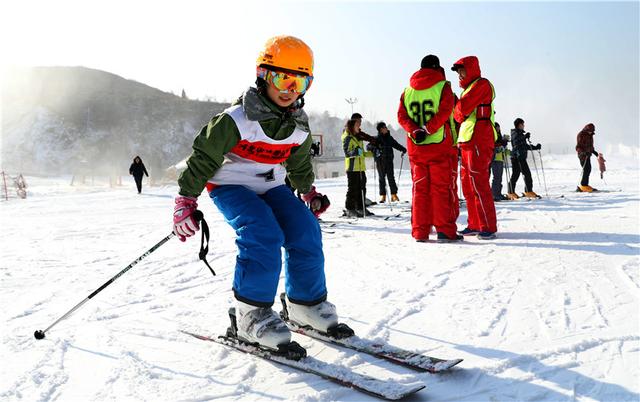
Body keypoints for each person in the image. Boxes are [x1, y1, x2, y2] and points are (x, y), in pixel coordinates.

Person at [172, 35, 348, 354]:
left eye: (300, 82)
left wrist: (308, 192)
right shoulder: (236, 119)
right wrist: (186, 199)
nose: (289, 89)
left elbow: (298, 162)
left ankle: (304, 304)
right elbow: (204, 157)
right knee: (263, 232)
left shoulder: (298, 126)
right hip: (230, 184)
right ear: (264, 74)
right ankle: (250, 315)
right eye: (283, 78)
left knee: (305, 229)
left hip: (271, 184)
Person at [397, 54, 462, 242]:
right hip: (439, 145)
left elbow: (401, 117)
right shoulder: (443, 87)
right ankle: (444, 230)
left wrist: (415, 130)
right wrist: (428, 129)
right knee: (441, 189)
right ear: (436, 67)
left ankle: (420, 231)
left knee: (420, 190)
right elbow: (446, 110)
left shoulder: (407, 91)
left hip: (417, 148)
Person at [451, 56, 498, 240]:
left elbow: (461, 110)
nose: (459, 75)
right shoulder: (469, 89)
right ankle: (475, 223)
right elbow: (459, 113)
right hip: (467, 141)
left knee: (479, 184)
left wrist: (458, 110)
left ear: (470, 70)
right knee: (468, 187)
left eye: (462, 71)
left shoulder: (482, 84)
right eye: (458, 72)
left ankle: (488, 226)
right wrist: (459, 111)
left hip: (479, 139)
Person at [342, 118, 374, 217]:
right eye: (357, 125)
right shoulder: (347, 137)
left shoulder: (357, 137)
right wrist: (355, 152)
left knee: (362, 188)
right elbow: (347, 153)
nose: (359, 127)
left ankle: (360, 207)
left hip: (360, 167)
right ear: (352, 127)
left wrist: (372, 153)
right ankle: (350, 208)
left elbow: (362, 153)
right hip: (352, 168)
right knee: (353, 188)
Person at [371, 121, 406, 203]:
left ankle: (394, 195)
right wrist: (375, 148)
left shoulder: (389, 138)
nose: (386, 128)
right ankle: (383, 196)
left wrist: (403, 149)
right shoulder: (376, 139)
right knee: (382, 178)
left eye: (386, 127)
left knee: (391, 178)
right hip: (380, 161)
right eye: (384, 127)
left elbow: (396, 144)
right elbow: (368, 146)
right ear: (380, 129)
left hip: (389, 160)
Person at [507, 118, 541, 199]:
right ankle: (526, 191)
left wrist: (535, 147)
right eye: (523, 124)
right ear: (519, 125)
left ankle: (514, 191)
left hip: (520, 157)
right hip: (517, 158)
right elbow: (516, 142)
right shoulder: (515, 133)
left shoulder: (520, 134)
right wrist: (524, 137)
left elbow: (524, 146)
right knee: (525, 174)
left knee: (517, 175)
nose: (524, 126)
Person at [575, 123, 604, 192]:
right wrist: (583, 153)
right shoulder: (581, 135)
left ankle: (585, 185)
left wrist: (595, 153)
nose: (591, 132)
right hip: (582, 155)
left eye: (592, 131)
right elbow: (578, 147)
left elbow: (590, 146)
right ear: (586, 129)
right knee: (586, 169)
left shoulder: (590, 135)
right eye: (590, 131)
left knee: (588, 169)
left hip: (588, 155)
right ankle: (583, 185)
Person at [489, 123, 510, 201]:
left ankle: (497, 193)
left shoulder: (499, 136)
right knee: (497, 177)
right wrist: (502, 143)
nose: (498, 128)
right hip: (495, 159)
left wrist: (509, 152)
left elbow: (502, 148)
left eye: (499, 127)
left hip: (500, 159)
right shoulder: (493, 136)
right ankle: (494, 194)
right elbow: (494, 146)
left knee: (499, 178)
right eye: (497, 127)